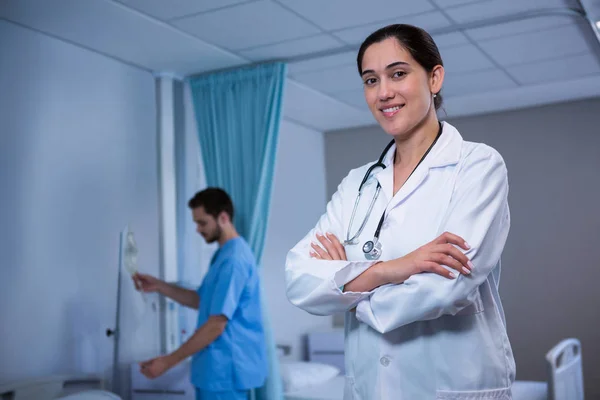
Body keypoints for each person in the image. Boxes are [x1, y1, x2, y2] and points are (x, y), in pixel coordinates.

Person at [285, 24, 516, 399]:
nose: (384, 92)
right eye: (371, 80)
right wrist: (395, 268)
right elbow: (299, 278)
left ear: (434, 77)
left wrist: (346, 288)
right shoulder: (357, 184)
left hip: (453, 386)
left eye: (398, 73)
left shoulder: (477, 166)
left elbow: (447, 287)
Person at [134, 187, 267, 400]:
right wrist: (160, 286)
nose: (198, 229)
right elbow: (200, 300)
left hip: (225, 374)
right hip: (213, 372)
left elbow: (216, 324)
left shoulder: (234, 260)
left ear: (223, 218)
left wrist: (167, 361)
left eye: (202, 222)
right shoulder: (222, 256)